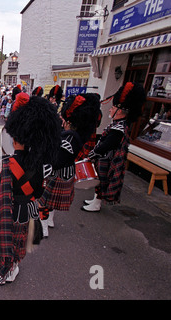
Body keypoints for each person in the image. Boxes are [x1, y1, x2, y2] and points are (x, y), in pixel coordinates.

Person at [0, 96, 62, 285]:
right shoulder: (42, 167)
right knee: (18, 241)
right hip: (25, 212)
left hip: (3, 213)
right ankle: (12, 269)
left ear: (14, 138)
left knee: (1, 240)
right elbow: (39, 194)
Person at [38, 93, 101, 237]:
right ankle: (50, 220)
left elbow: (56, 159)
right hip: (67, 172)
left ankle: (43, 227)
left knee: (43, 201)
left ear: (69, 120)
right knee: (51, 202)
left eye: (63, 118)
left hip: (57, 172)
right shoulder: (74, 134)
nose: (61, 119)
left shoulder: (69, 137)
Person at [82, 82, 146, 212]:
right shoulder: (118, 124)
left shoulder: (119, 128)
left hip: (108, 159)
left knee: (102, 181)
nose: (110, 110)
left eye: (113, 108)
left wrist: (93, 153)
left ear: (120, 111)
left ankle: (97, 203)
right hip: (105, 157)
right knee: (99, 181)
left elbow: (107, 145)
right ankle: (95, 200)